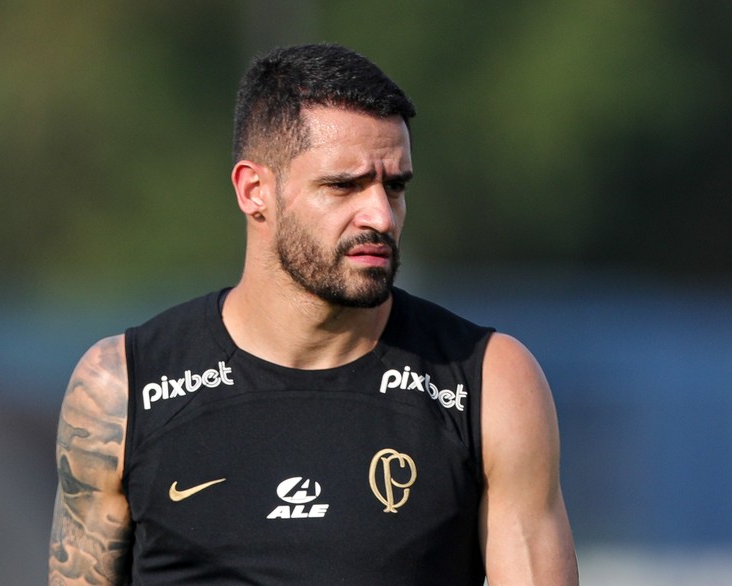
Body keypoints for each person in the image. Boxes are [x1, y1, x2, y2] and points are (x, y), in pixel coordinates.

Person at [49, 43, 578, 585]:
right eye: (343, 185)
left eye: (394, 186)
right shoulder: (120, 386)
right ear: (255, 191)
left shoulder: (490, 381)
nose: (380, 215)